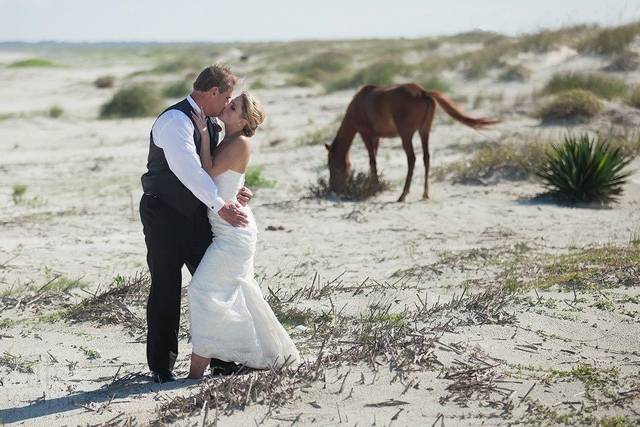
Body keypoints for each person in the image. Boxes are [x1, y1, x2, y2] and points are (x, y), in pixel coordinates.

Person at [140, 64, 253, 383]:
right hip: (163, 215)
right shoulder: (174, 120)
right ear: (213, 92)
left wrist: (237, 189)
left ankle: (224, 359)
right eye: (227, 97)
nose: (227, 103)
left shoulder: (213, 124)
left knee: (212, 285)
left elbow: (215, 170)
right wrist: (221, 207)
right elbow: (189, 172)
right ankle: (161, 366)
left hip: (198, 217)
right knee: (166, 285)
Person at [187, 92, 301, 379]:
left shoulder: (240, 142)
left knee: (202, 291)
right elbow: (229, 178)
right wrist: (242, 192)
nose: (228, 106)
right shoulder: (227, 138)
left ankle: (195, 373)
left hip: (234, 234)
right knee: (236, 292)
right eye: (230, 101)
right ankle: (258, 353)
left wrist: (201, 134)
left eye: (234, 106)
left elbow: (208, 171)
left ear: (244, 120)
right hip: (227, 226)